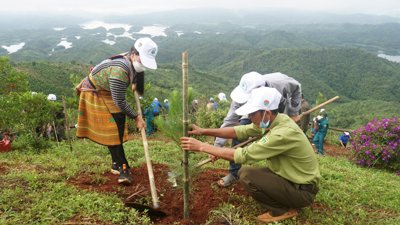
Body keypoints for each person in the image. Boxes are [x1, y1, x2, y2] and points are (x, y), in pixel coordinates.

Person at [181, 87, 320, 223]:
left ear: (266, 113)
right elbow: (238, 131)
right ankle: (283, 197)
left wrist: (201, 146)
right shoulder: (276, 119)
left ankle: (281, 210)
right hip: (290, 178)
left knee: (247, 175)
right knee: (249, 173)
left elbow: (243, 155)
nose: (251, 118)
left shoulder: (281, 134)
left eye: (253, 114)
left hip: (302, 191)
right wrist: (204, 131)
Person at [76, 37, 158, 185]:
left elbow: (134, 74)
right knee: (113, 128)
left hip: (107, 91)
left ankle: (115, 163)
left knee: (118, 123)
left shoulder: (130, 60)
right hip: (95, 92)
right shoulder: (120, 70)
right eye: (142, 60)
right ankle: (123, 168)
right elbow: (119, 101)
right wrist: (137, 117)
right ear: (133, 53)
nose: (143, 65)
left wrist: (134, 82)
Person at [214, 71, 302, 187]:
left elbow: (297, 88)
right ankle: (234, 173)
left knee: (277, 141)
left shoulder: (280, 82)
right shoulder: (242, 97)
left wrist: (294, 113)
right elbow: (230, 121)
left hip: (278, 109)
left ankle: (282, 176)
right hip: (256, 111)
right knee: (239, 132)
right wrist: (217, 147)